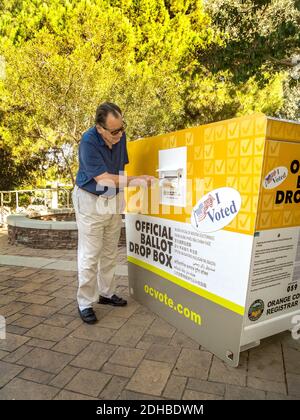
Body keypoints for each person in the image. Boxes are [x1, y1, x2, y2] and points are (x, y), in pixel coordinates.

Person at [73, 102, 154, 324]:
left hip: (114, 198)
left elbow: (120, 170)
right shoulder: (88, 141)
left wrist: (121, 198)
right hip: (90, 199)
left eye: (122, 128)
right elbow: (103, 179)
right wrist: (137, 181)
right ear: (100, 128)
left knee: (110, 250)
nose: (119, 134)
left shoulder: (120, 136)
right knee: (90, 254)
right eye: (114, 131)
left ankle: (106, 293)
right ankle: (85, 302)